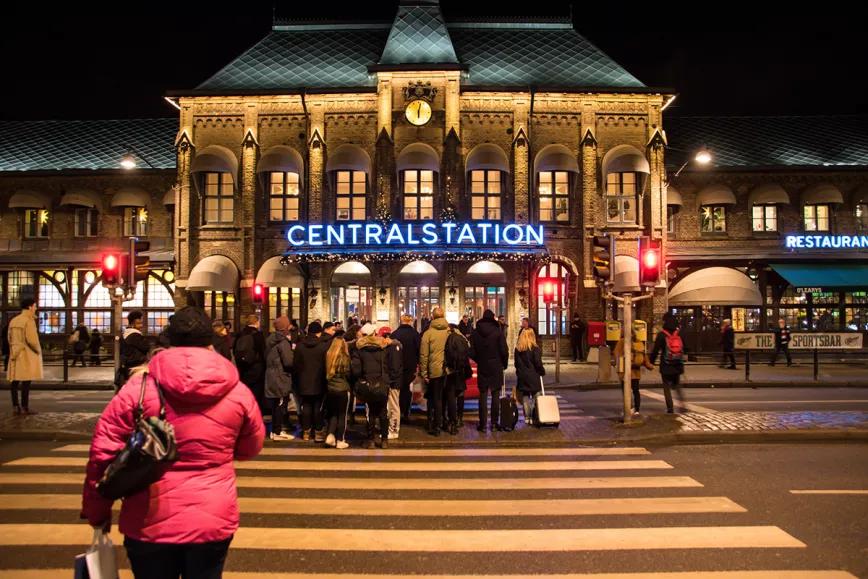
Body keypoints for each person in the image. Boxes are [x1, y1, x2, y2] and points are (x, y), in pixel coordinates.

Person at [81, 306, 264, 579]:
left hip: (148, 520)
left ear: (169, 340)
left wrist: (98, 511)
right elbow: (251, 447)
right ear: (210, 342)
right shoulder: (237, 392)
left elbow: (103, 453)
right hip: (211, 517)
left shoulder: (139, 388)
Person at [351, 323, 396, 448]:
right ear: (375, 333)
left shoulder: (359, 349)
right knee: (383, 411)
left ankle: (370, 439)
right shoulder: (383, 347)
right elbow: (390, 365)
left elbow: (356, 370)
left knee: (371, 412)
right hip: (382, 382)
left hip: (367, 382)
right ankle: (384, 439)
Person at [470, 309, 509, 432]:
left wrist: (479, 359)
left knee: (482, 395)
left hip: (483, 366)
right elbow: (504, 350)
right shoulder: (498, 332)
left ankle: (482, 424)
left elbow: (472, 351)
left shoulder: (476, 333)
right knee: (495, 394)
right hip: (496, 366)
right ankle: (494, 422)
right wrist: (504, 364)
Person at [293, 321, 330, 442]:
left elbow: (296, 364)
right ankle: (318, 432)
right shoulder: (323, 346)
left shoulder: (300, 345)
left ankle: (306, 432)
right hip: (319, 380)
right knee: (318, 407)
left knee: (306, 406)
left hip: (303, 381)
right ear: (319, 333)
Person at [7, 298, 42, 416]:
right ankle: (25, 407)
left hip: (15, 352)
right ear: (29, 307)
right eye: (35, 306)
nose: (36, 308)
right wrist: (37, 351)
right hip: (26, 353)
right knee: (26, 381)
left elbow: (9, 337)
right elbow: (32, 340)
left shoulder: (14, 320)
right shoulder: (28, 320)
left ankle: (15, 406)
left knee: (15, 381)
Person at [419, 308, 450, 436]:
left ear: (432, 317)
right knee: (446, 398)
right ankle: (445, 422)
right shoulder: (449, 331)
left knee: (435, 398)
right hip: (449, 370)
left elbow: (424, 355)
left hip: (434, 371)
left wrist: (424, 373)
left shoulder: (428, 333)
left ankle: (436, 425)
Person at [614, 322, 654, 417]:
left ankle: (629, 409)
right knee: (636, 390)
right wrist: (649, 366)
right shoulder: (639, 342)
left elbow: (617, 355)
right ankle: (637, 409)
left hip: (625, 372)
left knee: (626, 392)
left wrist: (618, 367)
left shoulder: (622, 341)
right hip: (636, 371)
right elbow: (644, 357)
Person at [265, 316, 295, 441]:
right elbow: (288, 362)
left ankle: (275, 430)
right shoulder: (283, 342)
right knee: (280, 404)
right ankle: (277, 431)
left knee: (275, 404)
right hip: (280, 376)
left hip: (271, 375)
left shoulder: (270, 339)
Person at [650, 313, 686, 414]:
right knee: (677, 386)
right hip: (677, 365)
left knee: (666, 387)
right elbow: (685, 348)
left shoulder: (662, 335)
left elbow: (655, 350)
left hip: (666, 365)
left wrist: (651, 362)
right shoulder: (679, 334)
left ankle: (670, 408)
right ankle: (682, 405)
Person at [234, 314, 267, 407]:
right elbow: (263, 352)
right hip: (257, 369)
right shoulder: (258, 335)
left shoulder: (240, 333)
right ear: (257, 322)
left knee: (245, 394)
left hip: (243, 368)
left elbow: (235, 350)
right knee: (256, 395)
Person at [392, 314, 421, 421]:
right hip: (410, 366)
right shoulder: (415, 334)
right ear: (411, 321)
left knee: (397, 390)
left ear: (401, 321)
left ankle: (397, 411)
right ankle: (406, 413)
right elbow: (419, 351)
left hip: (396, 366)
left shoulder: (394, 334)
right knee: (407, 390)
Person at [324, 336, 352, 449]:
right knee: (342, 415)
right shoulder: (345, 358)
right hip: (342, 389)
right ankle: (340, 439)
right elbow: (349, 374)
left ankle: (330, 435)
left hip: (330, 389)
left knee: (333, 414)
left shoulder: (328, 356)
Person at [514, 327, 545, 425]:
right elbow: (538, 363)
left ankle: (527, 417)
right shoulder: (535, 349)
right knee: (536, 395)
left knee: (525, 396)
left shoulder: (518, 349)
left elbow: (516, 364)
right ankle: (535, 414)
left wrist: (519, 372)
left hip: (523, 376)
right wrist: (541, 371)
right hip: (533, 375)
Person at [378, 326, 404, 439]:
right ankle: (391, 429)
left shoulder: (392, 348)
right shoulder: (395, 347)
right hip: (394, 380)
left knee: (393, 406)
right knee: (392, 405)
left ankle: (394, 430)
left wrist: (389, 380)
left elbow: (394, 367)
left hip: (393, 382)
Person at [118, 311, 151, 389]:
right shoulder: (135, 335)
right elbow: (146, 347)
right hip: (136, 364)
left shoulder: (125, 334)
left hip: (127, 363)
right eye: (139, 323)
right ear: (133, 323)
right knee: (137, 386)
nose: (141, 325)